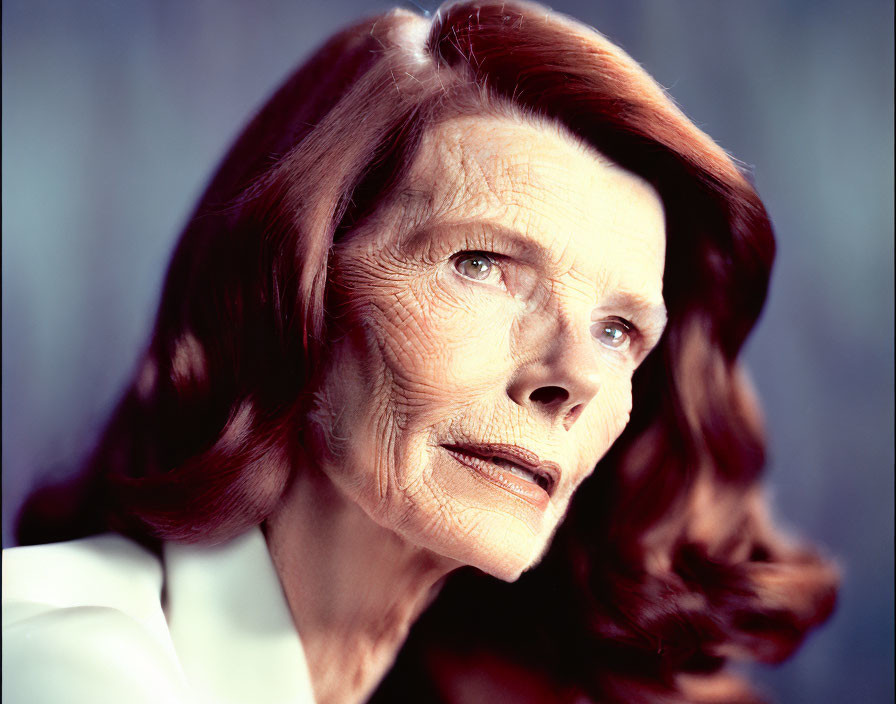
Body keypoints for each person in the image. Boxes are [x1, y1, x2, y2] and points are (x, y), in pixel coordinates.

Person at [3, 1, 838, 702]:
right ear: (294, 288)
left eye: (619, 331)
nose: (575, 376)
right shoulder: (63, 663)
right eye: (482, 265)